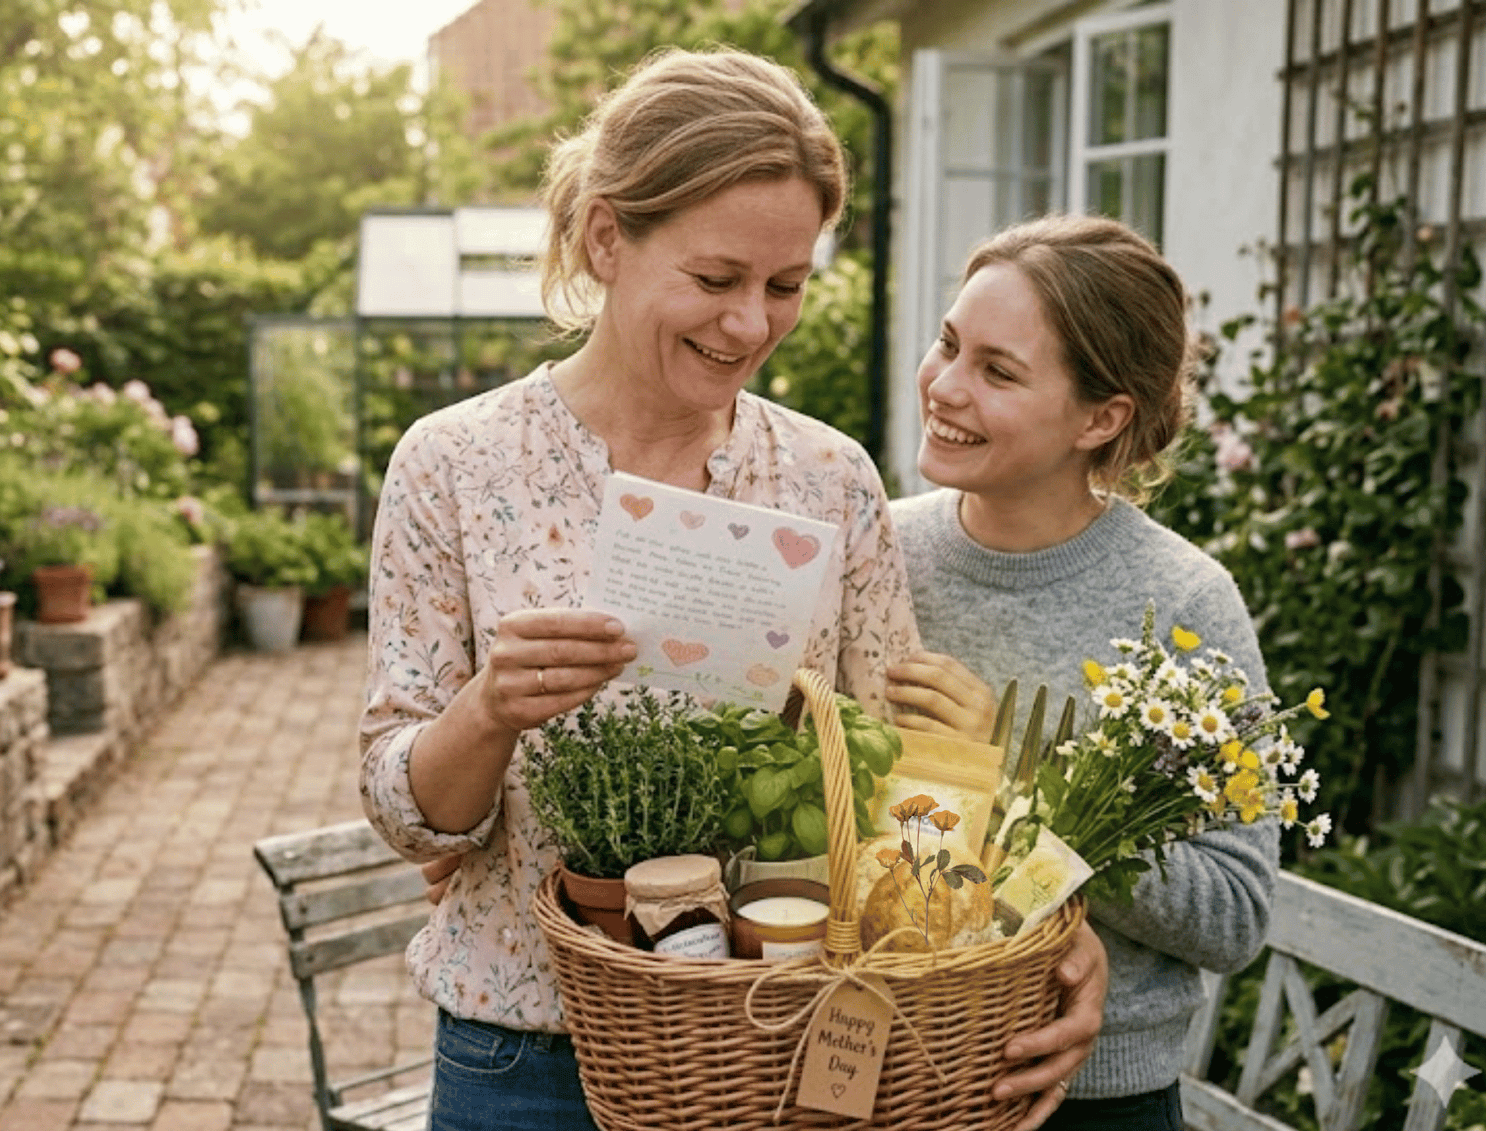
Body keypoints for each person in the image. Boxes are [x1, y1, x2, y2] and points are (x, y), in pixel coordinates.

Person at [360, 46, 1102, 1131]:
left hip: (772, 1048)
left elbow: (896, 783)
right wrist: (488, 711)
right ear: (606, 238)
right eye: (715, 281)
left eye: (785, 285)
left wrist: (1050, 921)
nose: (751, 324)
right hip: (527, 1057)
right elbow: (411, 821)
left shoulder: (827, 477)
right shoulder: (455, 464)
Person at [886, 214, 1278, 1131]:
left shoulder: (1184, 604)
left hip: (1095, 1101)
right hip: (888, 1077)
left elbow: (1233, 912)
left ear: (1101, 418)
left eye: (998, 371)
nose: (944, 385)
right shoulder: (881, 551)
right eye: (949, 343)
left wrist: (1017, 788)